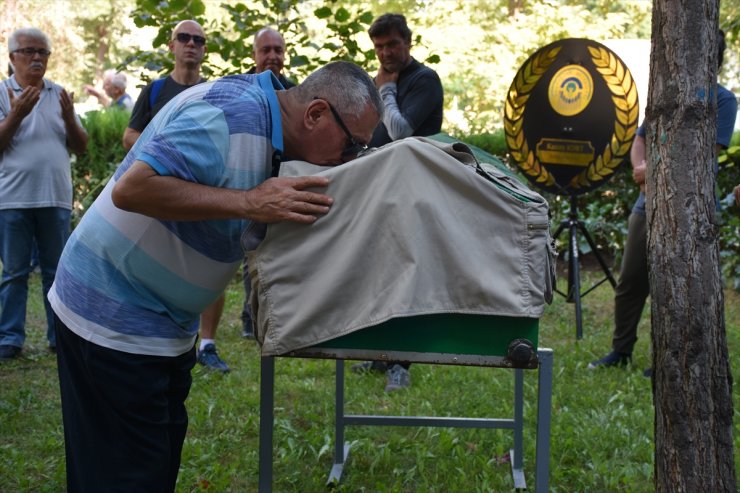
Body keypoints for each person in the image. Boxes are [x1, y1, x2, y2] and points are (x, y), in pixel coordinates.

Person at [49, 60, 382, 492]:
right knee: (124, 474)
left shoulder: (273, 128)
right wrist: (248, 202)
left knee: (150, 466)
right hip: (110, 315)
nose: (349, 159)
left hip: (164, 326)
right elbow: (132, 189)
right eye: (352, 145)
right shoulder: (232, 115)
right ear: (315, 114)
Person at [588, 30, 737, 374]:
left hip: (692, 209)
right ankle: (620, 351)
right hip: (647, 204)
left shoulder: (723, 100)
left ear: (712, 57)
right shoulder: (664, 94)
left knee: (678, 286)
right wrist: (641, 167)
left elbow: (703, 154)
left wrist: (651, 172)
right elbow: (639, 140)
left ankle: (671, 360)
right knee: (630, 282)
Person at [123, 20, 230, 372]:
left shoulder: (215, 91)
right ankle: (155, 334)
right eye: (184, 38)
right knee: (154, 261)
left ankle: (208, 344)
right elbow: (129, 137)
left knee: (210, 263)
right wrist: (166, 153)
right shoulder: (154, 91)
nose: (191, 44)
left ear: (204, 49)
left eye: (198, 40)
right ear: (171, 45)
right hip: (157, 192)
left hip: (203, 190)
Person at [351, 13, 444, 392]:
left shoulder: (424, 80)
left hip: (414, 189)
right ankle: (378, 352)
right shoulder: (374, 81)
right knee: (377, 268)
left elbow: (400, 131)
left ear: (408, 42)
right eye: (378, 47)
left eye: (392, 44)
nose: (385, 53)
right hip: (378, 187)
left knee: (406, 273)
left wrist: (386, 90)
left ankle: (401, 363)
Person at [0, 28, 88, 361]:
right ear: (12, 58)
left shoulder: (59, 94)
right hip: (12, 199)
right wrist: (16, 115)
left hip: (55, 198)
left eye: (43, 52)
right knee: (13, 273)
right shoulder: (2, 93)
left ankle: (59, 336)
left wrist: (69, 117)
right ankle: (9, 338)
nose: (37, 57)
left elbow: (80, 145)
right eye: (28, 51)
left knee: (57, 272)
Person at [241, 27, 296, 339]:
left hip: (283, 183)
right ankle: (250, 316)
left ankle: (274, 314)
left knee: (273, 252)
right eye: (266, 50)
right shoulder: (240, 89)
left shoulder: (296, 93)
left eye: (278, 50)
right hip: (245, 185)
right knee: (250, 251)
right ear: (255, 54)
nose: (273, 56)